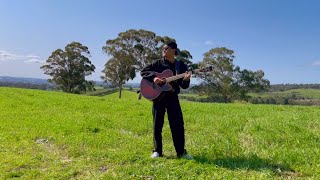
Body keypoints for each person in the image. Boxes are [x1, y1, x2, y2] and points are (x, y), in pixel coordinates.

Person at [140, 41, 192, 159]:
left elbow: (184, 86)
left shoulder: (181, 66)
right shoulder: (157, 63)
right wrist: (154, 78)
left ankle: (181, 152)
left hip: (173, 97)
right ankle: (157, 151)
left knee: (177, 125)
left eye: (166, 48)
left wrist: (186, 79)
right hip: (158, 98)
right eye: (163, 48)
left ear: (173, 50)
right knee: (157, 124)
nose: (163, 50)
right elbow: (143, 71)